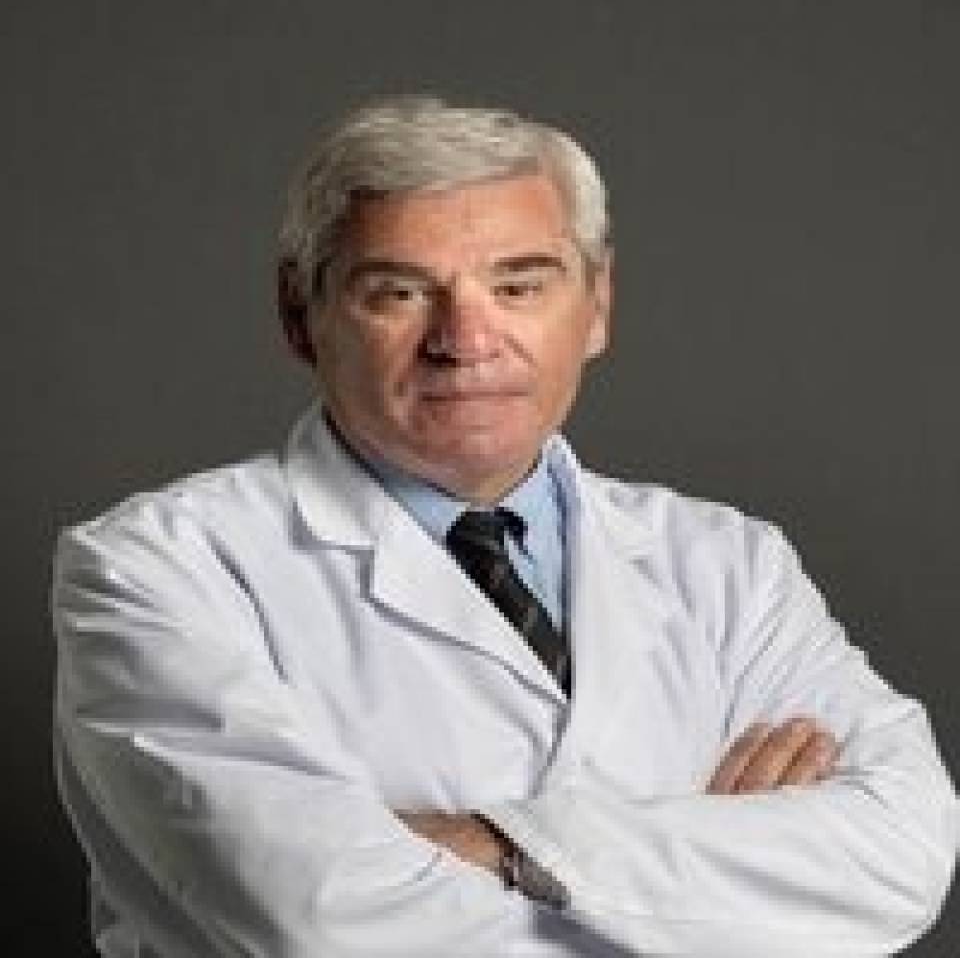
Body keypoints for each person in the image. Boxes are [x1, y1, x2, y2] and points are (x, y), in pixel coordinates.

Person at [53, 95, 957, 957]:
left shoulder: (728, 562)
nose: (467, 340)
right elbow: (318, 922)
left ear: (597, 305)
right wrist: (733, 886)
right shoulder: (154, 569)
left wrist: (496, 846)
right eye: (400, 292)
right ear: (301, 314)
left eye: (519, 285)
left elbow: (903, 851)